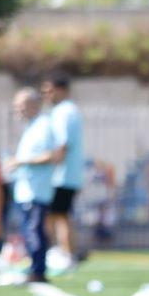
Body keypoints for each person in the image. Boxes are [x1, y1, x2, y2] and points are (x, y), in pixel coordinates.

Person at [3, 89, 56, 283]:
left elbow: (50, 156)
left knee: (35, 231)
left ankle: (38, 271)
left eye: (21, 105)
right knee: (29, 231)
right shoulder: (32, 126)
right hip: (26, 190)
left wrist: (20, 161)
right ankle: (34, 267)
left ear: (34, 104)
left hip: (37, 190)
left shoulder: (43, 126)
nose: (17, 109)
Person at [42, 71, 85, 272]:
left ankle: (65, 255)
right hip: (68, 174)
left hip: (62, 175)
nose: (46, 95)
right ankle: (68, 253)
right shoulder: (68, 110)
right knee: (61, 215)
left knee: (57, 216)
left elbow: (62, 145)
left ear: (61, 90)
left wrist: (50, 168)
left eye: (49, 90)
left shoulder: (64, 111)